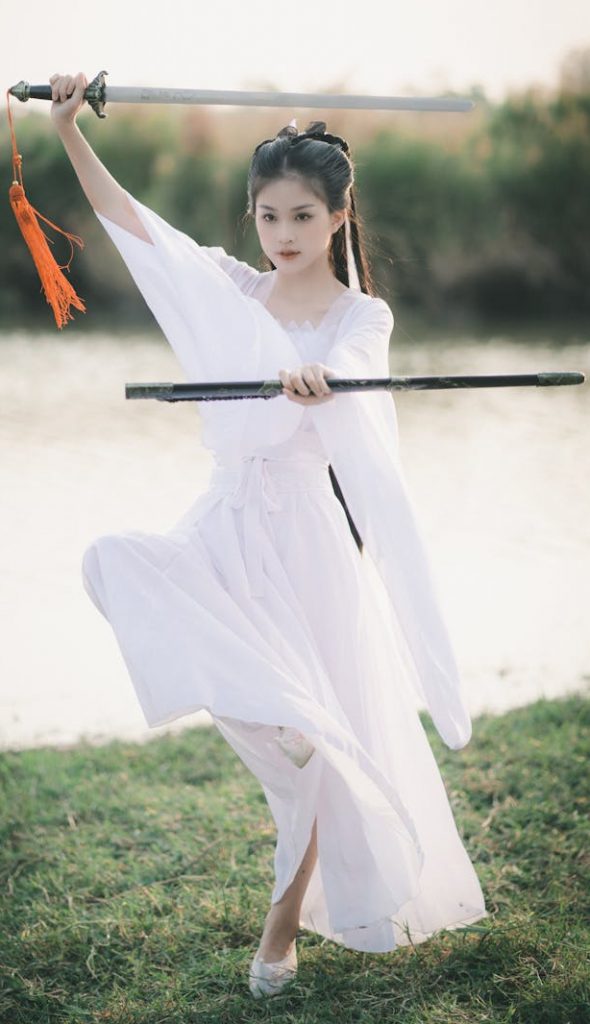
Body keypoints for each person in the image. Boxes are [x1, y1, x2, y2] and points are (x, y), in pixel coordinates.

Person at [49, 71, 488, 999]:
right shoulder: (234, 289)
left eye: (300, 216)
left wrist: (321, 382)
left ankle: (281, 930)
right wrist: (67, 130)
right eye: (268, 216)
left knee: (326, 742)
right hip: (226, 516)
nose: (282, 235)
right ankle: (275, 721)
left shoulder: (359, 315)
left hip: (308, 540)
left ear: (337, 215)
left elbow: (358, 368)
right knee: (114, 564)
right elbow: (137, 227)